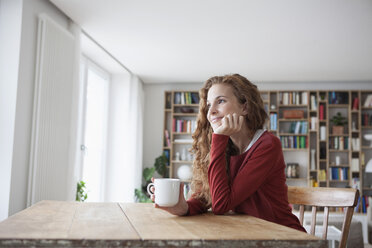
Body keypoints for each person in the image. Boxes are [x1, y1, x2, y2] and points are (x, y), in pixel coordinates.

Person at [151, 74, 306, 232]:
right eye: (208, 104)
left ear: (244, 107)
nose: (211, 111)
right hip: (248, 236)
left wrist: (219, 137)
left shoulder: (267, 145)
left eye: (221, 101)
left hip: (283, 236)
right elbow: (206, 195)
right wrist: (184, 207)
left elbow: (221, 205)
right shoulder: (224, 146)